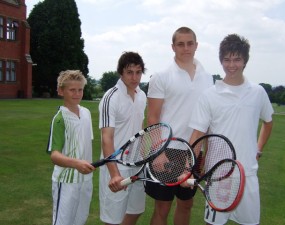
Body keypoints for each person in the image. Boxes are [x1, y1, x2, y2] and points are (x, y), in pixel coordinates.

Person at [189, 34, 274, 225]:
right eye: (227, 59)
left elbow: (268, 122)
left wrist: (258, 150)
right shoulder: (209, 95)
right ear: (221, 61)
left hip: (248, 174)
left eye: (237, 59)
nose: (231, 64)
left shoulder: (258, 92)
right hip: (218, 175)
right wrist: (189, 167)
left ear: (245, 61)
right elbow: (198, 135)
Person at [146, 26, 214, 225]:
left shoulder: (207, 77)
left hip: (193, 151)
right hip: (166, 149)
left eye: (190, 43)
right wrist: (158, 152)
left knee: (186, 204)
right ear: (173, 47)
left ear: (196, 45)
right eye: (180, 44)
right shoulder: (161, 76)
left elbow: (206, 120)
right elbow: (152, 117)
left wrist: (202, 153)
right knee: (163, 207)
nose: (186, 48)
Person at [98, 51, 147, 225]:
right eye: (129, 72)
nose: (134, 77)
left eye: (138, 72)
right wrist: (114, 174)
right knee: (113, 220)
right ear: (121, 72)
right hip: (117, 166)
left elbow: (139, 130)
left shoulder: (142, 96)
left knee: (136, 211)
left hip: (137, 165)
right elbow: (106, 138)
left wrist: (144, 159)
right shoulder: (111, 97)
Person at [47, 70, 95, 225]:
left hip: (86, 179)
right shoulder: (60, 119)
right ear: (61, 91)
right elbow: (54, 155)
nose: (77, 94)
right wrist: (77, 163)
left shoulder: (86, 113)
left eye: (80, 89)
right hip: (67, 181)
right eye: (72, 90)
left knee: (80, 220)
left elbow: (87, 143)